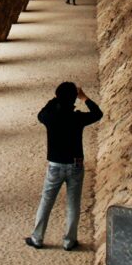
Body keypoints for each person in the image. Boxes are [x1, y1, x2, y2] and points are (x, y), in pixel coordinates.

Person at [26, 83, 103, 251]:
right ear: (74, 98)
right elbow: (98, 114)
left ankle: (37, 238)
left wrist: (56, 99)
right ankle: (69, 241)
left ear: (57, 96)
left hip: (55, 165)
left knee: (46, 201)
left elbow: (40, 114)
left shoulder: (50, 117)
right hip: (75, 164)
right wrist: (84, 97)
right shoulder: (77, 118)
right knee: (73, 203)